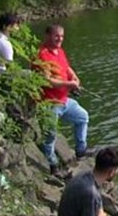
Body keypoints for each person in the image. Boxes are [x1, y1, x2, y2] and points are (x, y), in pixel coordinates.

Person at [36, 24, 92, 175]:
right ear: (47, 36)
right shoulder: (41, 55)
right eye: (56, 36)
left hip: (64, 100)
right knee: (50, 135)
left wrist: (74, 78)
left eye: (61, 36)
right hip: (49, 102)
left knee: (82, 117)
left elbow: (67, 69)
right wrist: (69, 84)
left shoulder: (59, 51)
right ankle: (52, 164)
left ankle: (81, 150)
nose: (59, 39)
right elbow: (48, 81)